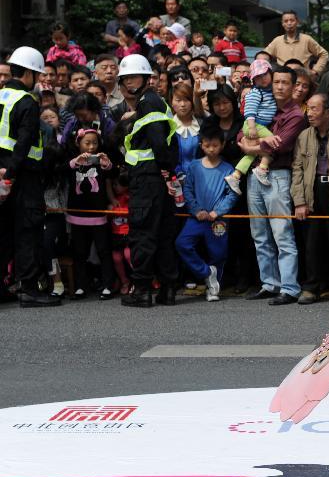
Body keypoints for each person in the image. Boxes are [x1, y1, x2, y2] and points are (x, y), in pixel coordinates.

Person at [237, 66, 306, 305]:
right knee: (259, 234)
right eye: (276, 81)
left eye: (285, 82)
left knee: (282, 234)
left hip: (277, 175)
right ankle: (269, 283)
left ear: (293, 86)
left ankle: (289, 287)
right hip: (254, 175)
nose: (279, 86)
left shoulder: (296, 114)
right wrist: (257, 141)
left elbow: (281, 145)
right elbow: (240, 134)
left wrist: (250, 147)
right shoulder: (263, 102)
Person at [117, 54, 180, 308]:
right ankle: (168, 289)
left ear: (145, 78)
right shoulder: (153, 101)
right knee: (163, 235)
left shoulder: (148, 102)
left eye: (133, 76)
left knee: (143, 234)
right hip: (156, 178)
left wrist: (164, 169)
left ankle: (141, 290)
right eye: (126, 78)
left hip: (148, 178)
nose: (128, 81)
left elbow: (156, 140)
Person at [0, 46, 60, 307]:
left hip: (2, 174)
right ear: (29, 74)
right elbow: (24, 141)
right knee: (28, 231)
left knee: (2, 232)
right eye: (37, 74)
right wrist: (11, 173)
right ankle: (29, 289)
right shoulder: (26, 101)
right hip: (22, 176)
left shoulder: (0, 96)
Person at [291, 93, 329, 305]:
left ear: (328, 112)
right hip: (312, 190)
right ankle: (311, 286)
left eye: (315, 109)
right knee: (312, 242)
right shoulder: (304, 136)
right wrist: (299, 201)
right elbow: (297, 169)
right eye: (308, 108)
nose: (310, 113)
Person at [175, 124, 238, 302]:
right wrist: (196, 210)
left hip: (218, 219)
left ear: (222, 145)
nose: (211, 149)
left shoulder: (228, 169)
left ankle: (213, 287)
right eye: (207, 145)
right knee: (182, 243)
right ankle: (206, 272)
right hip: (197, 217)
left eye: (215, 145)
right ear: (201, 145)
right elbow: (187, 190)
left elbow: (232, 195)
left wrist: (217, 211)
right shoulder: (194, 166)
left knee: (218, 253)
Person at [207, 85, 256, 293]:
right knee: (218, 231)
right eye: (216, 103)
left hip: (239, 182)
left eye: (225, 102)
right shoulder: (209, 124)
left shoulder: (242, 123)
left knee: (241, 232)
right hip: (215, 182)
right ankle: (223, 275)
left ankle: (245, 277)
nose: (221, 107)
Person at [65, 128, 116, 299]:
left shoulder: (101, 162)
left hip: (98, 214)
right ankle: (81, 286)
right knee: (79, 252)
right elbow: (62, 171)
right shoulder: (73, 162)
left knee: (104, 250)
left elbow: (112, 173)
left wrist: (107, 163)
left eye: (95, 142)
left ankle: (107, 285)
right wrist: (75, 162)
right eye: (87, 143)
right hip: (77, 214)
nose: (91, 147)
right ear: (78, 143)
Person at [225, 59, 276, 193]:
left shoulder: (270, 91)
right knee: (273, 142)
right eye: (258, 77)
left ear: (271, 73)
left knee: (251, 154)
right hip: (254, 124)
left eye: (265, 75)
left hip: (259, 125)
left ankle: (235, 176)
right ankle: (262, 168)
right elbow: (250, 111)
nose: (262, 79)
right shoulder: (256, 92)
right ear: (253, 80)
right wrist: (252, 127)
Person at [264, 10, 329, 76]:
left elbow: (324, 54)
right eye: (286, 21)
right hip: (284, 78)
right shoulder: (277, 41)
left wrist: (315, 70)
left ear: (297, 22)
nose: (289, 23)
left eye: (292, 20)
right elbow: (264, 55)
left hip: (302, 78)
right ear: (282, 24)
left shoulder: (307, 39)